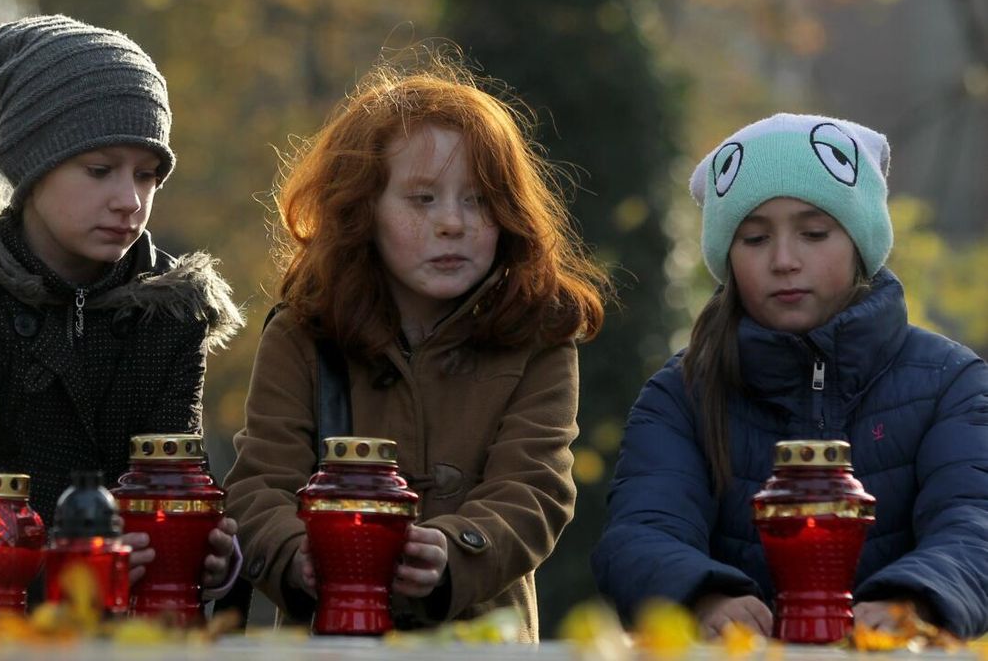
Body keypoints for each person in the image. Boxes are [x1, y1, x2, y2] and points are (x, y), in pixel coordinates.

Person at [222, 51, 609, 641]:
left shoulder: (539, 335)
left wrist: (455, 551)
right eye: (423, 199)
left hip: (480, 642)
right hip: (333, 641)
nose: (452, 223)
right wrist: (297, 554)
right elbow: (258, 487)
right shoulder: (303, 333)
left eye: (477, 199)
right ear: (363, 208)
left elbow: (534, 488)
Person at [591, 112, 988, 639]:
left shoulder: (951, 384)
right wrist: (702, 596)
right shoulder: (680, 395)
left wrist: (913, 600)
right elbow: (639, 534)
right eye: (754, 239)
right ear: (727, 256)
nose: (783, 260)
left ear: (860, 242)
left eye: (814, 233)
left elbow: (975, 524)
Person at [0, 14, 245, 599]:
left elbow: (174, 473)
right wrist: (73, 568)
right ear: (32, 166)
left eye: (147, 176)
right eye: (99, 171)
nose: (129, 201)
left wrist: (201, 551)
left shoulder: (171, 311)